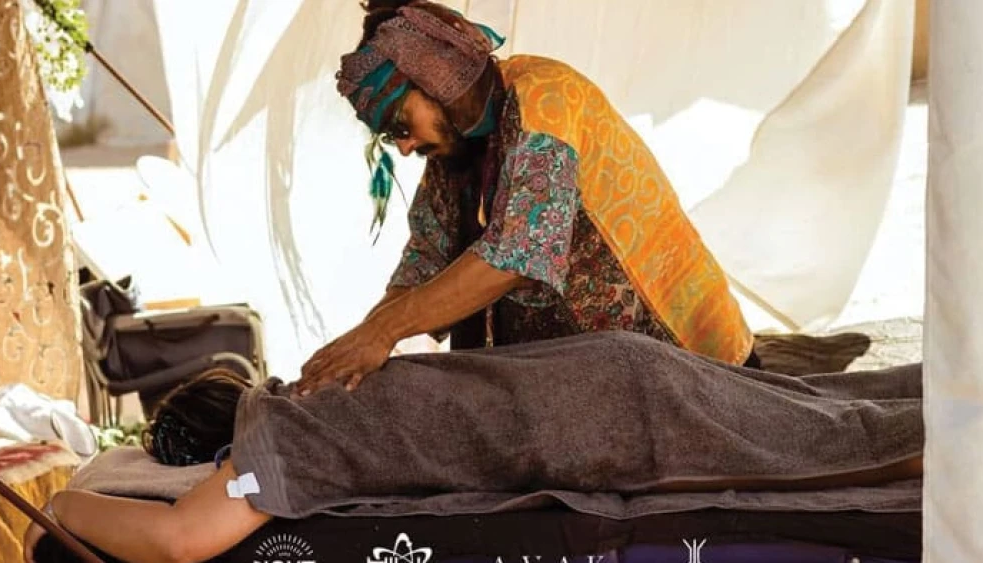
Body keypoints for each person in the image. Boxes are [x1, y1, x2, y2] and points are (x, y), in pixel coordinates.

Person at [25, 334, 923, 563]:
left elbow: (184, 539)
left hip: (608, 414)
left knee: (840, 450)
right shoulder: (308, 402)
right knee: (831, 415)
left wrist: (68, 503)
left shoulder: (283, 437)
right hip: (604, 384)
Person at [298, 0, 757, 395]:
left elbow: (519, 253)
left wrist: (383, 332)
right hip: (611, 387)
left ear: (437, 77)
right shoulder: (452, 159)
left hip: (699, 369)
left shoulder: (547, 97)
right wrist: (351, 350)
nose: (403, 147)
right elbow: (421, 265)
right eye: (388, 137)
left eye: (400, 124)